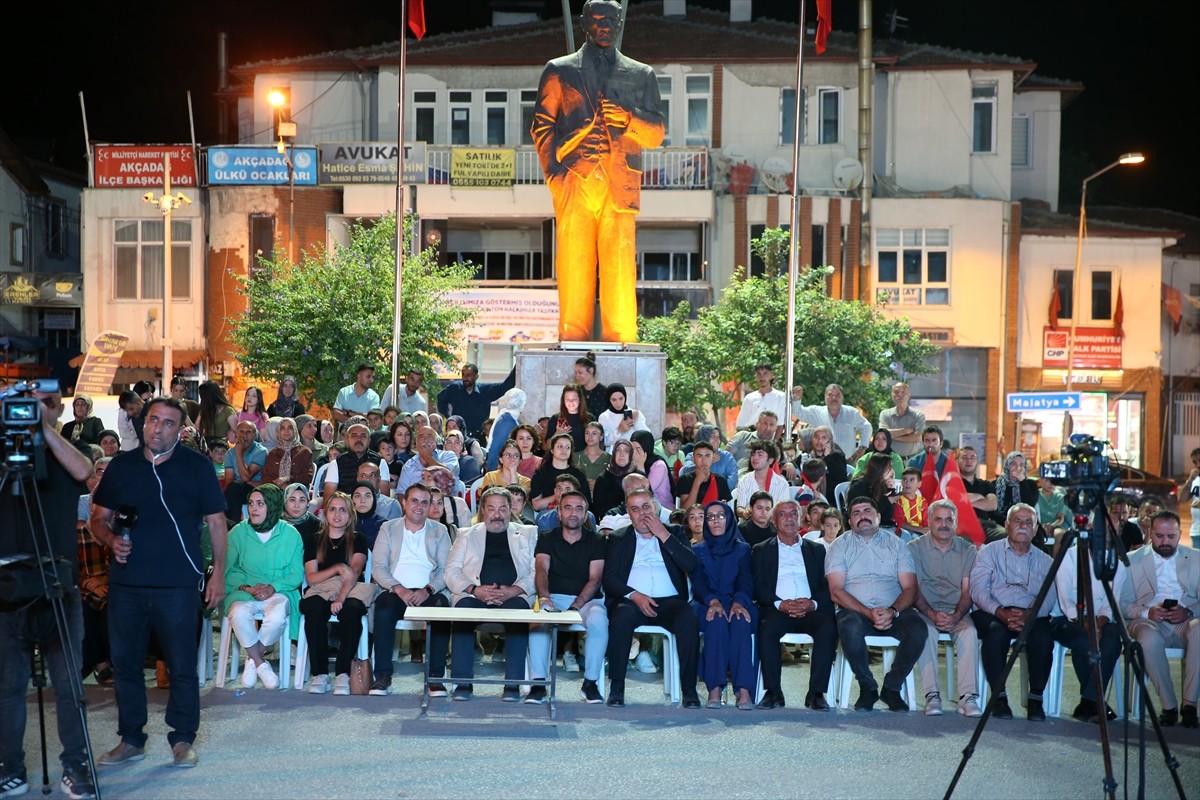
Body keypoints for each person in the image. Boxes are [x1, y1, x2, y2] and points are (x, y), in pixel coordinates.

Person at [90, 396, 227, 769]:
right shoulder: (120, 467)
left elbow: (217, 523)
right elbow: (97, 518)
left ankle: (183, 739)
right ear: (143, 423)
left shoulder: (197, 467)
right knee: (127, 665)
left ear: (180, 430)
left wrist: (218, 574)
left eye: (168, 423)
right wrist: (109, 539)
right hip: (128, 585)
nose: (158, 428)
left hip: (180, 585)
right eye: (153, 420)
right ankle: (131, 739)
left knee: (182, 665)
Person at [532, 0, 665, 342]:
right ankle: (571, 340)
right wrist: (554, 175)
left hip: (619, 182)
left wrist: (631, 118)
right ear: (583, 23)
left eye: (612, 19)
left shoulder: (641, 74)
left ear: (620, 23)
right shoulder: (560, 70)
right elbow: (542, 126)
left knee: (620, 270)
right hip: (575, 180)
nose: (606, 25)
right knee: (574, 267)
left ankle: (621, 341)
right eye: (598, 19)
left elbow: (656, 134)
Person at [1, 384, 94, 798]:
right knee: (8, 687)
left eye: (46, 405)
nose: (33, 411)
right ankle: (10, 767)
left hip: (59, 586)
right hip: (7, 589)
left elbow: (83, 471)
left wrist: (44, 429)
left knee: (68, 683)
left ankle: (75, 766)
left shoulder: (63, 453)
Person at [825, 496, 927, 712]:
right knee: (848, 625)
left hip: (894, 610)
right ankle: (867, 686)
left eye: (867, 511)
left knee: (918, 628)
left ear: (879, 517)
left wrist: (892, 611)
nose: (863, 516)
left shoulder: (898, 546)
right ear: (850, 522)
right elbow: (836, 592)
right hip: (856, 612)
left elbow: (910, 588)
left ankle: (892, 687)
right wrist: (868, 613)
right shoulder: (839, 547)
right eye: (856, 513)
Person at [602, 487, 700, 708]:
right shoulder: (618, 538)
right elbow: (610, 578)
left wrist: (662, 534)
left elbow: (691, 564)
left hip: (670, 602)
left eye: (646, 506)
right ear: (629, 513)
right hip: (632, 601)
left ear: (655, 507)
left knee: (688, 618)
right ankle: (617, 688)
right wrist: (634, 595)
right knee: (621, 616)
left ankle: (690, 691)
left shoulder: (674, 532)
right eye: (635, 509)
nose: (642, 513)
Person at [441, 487, 537, 701]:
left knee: (520, 613)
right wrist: (475, 590)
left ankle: (512, 685)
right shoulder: (466, 535)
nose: (497, 514)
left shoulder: (528, 533)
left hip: (513, 596)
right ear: (482, 510)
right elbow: (451, 571)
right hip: (475, 596)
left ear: (510, 509)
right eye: (491, 508)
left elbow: (536, 571)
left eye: (503, 508)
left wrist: (514, 590)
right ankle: (462, 683)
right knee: (463, 611)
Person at [969, 503, 1057, 721]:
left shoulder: (1046, 560)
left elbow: (1049, 597)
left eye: (1029, 522)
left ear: (1036, 529)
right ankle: (999, 698)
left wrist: (1029, 615)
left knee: (1043, 637)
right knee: (995, 633)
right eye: (1017, 521)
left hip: (1031, 613)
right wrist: (1000, 612)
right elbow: (978, 591)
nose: (1023, 526)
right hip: (993, 610)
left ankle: (1036, 699)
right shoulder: (988, 552)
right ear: (1006, 525)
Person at [368, 483, 453, 696]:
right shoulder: (388, 528)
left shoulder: (439, 530)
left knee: (442, 610)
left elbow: (446, 569)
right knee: (384, 610)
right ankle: (383, 675)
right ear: (404, 503)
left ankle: (435, 677)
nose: (419, 506)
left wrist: (428, 589)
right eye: (414, 500)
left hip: (428, 591)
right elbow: (378, 568)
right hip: (395, 590)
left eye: (425, 502)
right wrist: (399, 589)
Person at [753, 499, 838, 711]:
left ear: (800, 519)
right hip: (778, 609)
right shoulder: (761, 550)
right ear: (774, 521)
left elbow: (826, 585)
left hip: (810, 610)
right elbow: (758, 586)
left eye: (793, 514)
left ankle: (816, 694)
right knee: (767, 629)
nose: (789, 518)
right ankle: (773, 692)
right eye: (783, 514)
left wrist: (813, 603)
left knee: (828, 628)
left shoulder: (817, 550)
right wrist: (780, 604)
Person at [1118, 510, 1198, 728]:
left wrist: (1188, 612)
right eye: (1159, 536)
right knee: (1147, 637)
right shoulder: (1130, 561)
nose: (1165, 542)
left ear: (1179, 533)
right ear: (1150, 533)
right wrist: (1147, 612)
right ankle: (1168, 706)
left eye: (1171, 537)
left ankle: (1189, 705)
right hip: (1148, 619)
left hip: (1185, 620)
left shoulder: (1197, 558)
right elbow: (1122, 604)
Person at [530, 489, 608, 704]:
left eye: (579, 508)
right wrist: (545, 598)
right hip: (553, 597)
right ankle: (538, 684)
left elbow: (595, 578)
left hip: (586, 601)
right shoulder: (546, 538)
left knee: (599, 619)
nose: (573, 513)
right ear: (559, 513)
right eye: (568, 507)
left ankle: (590, 683)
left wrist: (575, 606)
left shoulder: (597, 541)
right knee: (538, 620)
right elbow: (541, 570)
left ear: (585, 515)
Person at [221, 484, 303, 692]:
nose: (253, 509)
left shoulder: (291, 534)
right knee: (238, 615)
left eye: (260, 504)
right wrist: (248, 588)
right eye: (251, 504)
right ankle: (260, 664)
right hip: (244, 591)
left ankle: (252, 659)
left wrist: (272, 587)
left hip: (280, 591)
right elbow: (228, 570)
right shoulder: (238, 532)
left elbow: (296, 574)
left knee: (276, 618)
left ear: (273, 506)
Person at [907, 500, 982, 717]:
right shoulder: (915, 548)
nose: (943, 524)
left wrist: (957, 615)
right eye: (938, 519)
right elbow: (913, 589)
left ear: (956, 522)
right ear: (929, 521)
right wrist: (931, 614)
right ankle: (932, 696)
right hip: (924, 610)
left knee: (970, 633)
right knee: (926, 632)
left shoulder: (967, 550)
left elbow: (968, 590)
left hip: (957, 609)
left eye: (949, 519)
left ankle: (968, 698)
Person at [299, 492, 375, 695]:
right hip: (321, 589)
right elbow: (312, 578)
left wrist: (340, 598)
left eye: (343, 510)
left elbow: (355, 572)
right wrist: (337, 568)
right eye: (332, 509)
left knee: (352, 610)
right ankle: (320, 673)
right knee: (313, 607)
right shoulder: (313, 540)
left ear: (350, 515)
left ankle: (343, 672)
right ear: (325, 514)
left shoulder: (358, 539)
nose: (337, 514)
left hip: (349, 589)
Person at [691, 500, 756, 710]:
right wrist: (713, 601)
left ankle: (743, 689)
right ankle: (714, 688)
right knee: (716, 620)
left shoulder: (743, 549)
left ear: (729, 519)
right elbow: (698, 584)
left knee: (740, 620)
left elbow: (746, 580)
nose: (715, 521)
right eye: (710, 517)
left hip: (738, 601)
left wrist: (738, 602)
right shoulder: (698, 549)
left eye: (720, 515)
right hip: (707, 603)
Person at [1052, 534, 1124, 723]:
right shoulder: (1067, 558)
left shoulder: (1117, 565)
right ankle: (1095, 701)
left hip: (1101, 618)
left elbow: (1111, 604)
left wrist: (1098, 624)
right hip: (1067, 618)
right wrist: (1085, 624)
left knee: (1113, 639)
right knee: (1084, 641)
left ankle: (1089, 701)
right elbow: (1065, 601)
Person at [792, 383, 872, 462]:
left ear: (842, 398)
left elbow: (867, 427)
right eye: (830, 395)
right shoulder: (816, 412)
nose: (834, 398)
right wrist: (797, 399)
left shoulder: (851, 413)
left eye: (837, 395)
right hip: (821, 463)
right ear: (825, 397)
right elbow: (798, 412)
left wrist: (862, 447)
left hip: (847, 462)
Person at [436, 363, 517, 439]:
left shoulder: (485, 391)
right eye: (463, 375)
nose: (465, 378)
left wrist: (518, 364)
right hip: (458, 437)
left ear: (476, 376)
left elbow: (506, 386)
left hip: (479, 437)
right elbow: (440, 398)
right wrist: (449, 417)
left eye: (468, 375)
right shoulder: (454, 389)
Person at [323, 422, 390, 500]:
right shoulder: (336, 463)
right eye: (354, 436)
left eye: (363, 436)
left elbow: (384, 498)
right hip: (345, 507)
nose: (359, 439)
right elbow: (329, 498)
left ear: (369, 441)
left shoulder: (380, 462)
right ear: (347, 440)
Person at [530, 432, 593, 512]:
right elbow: (536, 505)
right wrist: (557, 496)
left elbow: (586, 502)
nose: (564, 450)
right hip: (547, 513)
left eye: (567, 447)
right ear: (552, 450)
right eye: (560, 446)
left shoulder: (578, 474)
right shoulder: (541, 473)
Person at [222, 420, 268, 525]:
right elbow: (229, 480)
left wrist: (238, 452)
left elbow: (246, 477)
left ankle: (231, 526)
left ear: (255, 434)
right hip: (236, 489)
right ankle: (229, 525)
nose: (244, 436)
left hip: (255, 490)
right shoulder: (229, 453)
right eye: (242, 432)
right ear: (236, 434)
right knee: (232, 488)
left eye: (249, 432)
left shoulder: (260, 451)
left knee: (234, 488)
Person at [956, 446, 1003, 541]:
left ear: (977, 462)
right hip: (961, 525)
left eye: (972, 458)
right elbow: (955, 502)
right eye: (964, 457)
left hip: (985, 524)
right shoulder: (953, 483)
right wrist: (981, 497)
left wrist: (965, 502)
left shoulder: (986, 484)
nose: (968, 461)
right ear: (957, 461)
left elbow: (992, 505)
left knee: (1004, 535)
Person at [396, 425, 458, 496]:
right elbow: (401, 493)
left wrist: (426, 455)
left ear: (436, 441)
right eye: (421, 437)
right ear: (416, 442)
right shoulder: (408, 465)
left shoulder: (448, 456)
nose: (425, 440)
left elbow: (447, 476)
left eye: (429, 436)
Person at [846, 453, 900, 531]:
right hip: (862, 527)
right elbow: (865, 513)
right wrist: (887, 501)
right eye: (889, 468)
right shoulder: (859, 487)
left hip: (881, 526)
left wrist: (890, 491)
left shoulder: (882, 484)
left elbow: (886, 516)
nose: (892, 471)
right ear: (880, 469)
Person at [735, 439, 791, 513]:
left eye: (760, 455)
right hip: (749, 522)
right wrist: (745, 512)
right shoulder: (744, 481)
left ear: (770, 460)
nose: (755, 458)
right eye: (753, 454)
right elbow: (739, 508)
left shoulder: (782, 484)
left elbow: (783, 511)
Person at [675, 440, 731, 511]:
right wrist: (697, 482)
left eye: (707, 456)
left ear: (713, 457)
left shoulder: (720, 480)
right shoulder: (685, 479)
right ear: (693, 458)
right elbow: (686, 510)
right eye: (699, 456)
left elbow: (726, 510)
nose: (703, 460)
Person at [261, 416, 314, 490]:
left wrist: (288, 479)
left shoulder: (304, 452)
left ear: (295, 430)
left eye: (290, 427)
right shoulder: (273, 453)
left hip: (297, 491)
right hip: (275, 491)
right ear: (278, 431)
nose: (286, 431)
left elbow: (308, 477)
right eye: (282, 428)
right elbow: (265, 477)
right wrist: (280, 486)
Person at [597, 382, 649, 454]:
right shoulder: (604, 417)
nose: (618, 403)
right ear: (609, 399)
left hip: (633, 456)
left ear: (625, 397)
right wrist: (619, 430)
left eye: (621, 399)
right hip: (613, 457)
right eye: (614, 400)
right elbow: (604, 441)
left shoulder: (635, 414)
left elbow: (647, 437)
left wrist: (637, 422)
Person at [878, 382, 926, 460]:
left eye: (903, 392)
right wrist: (906, 431)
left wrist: (891, 436)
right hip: (889, 460)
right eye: (896, 392)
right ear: (892, 395)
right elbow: (883, 434)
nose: (899, 395)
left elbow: (918, 437)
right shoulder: (885, 414)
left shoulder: (918, 415)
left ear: (909, 395)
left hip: (911, 460)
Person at [992, 451, 1040, 529]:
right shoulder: (995, 484)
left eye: (1021, 465)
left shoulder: (1031, 485)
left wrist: (1022, 481)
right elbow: (993, 511)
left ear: (1025, 468)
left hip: (1025, 525)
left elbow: (1029, 506)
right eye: (1013, 464)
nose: (1018, 468)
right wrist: (1010, 523)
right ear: (1007, 466)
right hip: (1001, 524)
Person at [478, 439, 532, 508]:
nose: (512, 459)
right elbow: (485, 499)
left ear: (520, 461)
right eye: (508, 455)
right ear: (501, 459)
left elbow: (514, 501)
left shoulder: (526, 481)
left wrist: (513, 473)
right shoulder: (490, 476)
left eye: (516, 456)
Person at [630, 429, 673, 511]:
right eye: (632, 448)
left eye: (638, 448)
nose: (634, 452)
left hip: (661, 508)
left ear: (646, 447)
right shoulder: (632, 462)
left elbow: (645, 491)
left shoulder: (659, 465)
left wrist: (640, 466)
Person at [735, 364, 788, 431]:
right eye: (759, 374)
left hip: (770, 438)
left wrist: (774, 441)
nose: (762, 377)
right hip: (749, 437)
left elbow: (780, 425)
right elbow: (741, 424)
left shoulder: (781, 397)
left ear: (771, 375)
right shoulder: (749, 398)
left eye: (765, 373)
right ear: (755, 376)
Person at [591, 438, 634, 519]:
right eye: (618, 450)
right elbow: (598, 508)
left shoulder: (638, 476)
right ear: (614, 453)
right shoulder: (603, 478)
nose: (622, 454)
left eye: (626, 451)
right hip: (611, 521)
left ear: (631, 454)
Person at [484, 388, 525, 471]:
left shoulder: (512, 420)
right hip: (499, 469)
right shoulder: (506, 422)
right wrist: (492, 468)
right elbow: (496, 445)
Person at [549, 383, 591, 452]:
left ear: (579, 399)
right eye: (567, 399)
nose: (571, 402)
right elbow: (547, 446)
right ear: (563, 400)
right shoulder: (555, 418)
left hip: (583, 458)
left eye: (574, 399)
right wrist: (557, 434)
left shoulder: (589, 418)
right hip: (562, 458)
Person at [573, 420, 611, 493]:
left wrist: (597, 484)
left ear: (601, 437)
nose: (590, 436)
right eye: (587, 433)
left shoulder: (609, 459)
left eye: (594, 433)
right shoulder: (576, 457)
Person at [197, 380, 238, 446]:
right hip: (207, 446)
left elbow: (236, 433)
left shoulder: (228, 411)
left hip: (221, 446)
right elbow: (197, 429)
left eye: (203, 397)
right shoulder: (205, 410)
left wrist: (227, 437)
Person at [350, 481, 387, 549]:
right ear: (351, 500)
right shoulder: (344, 523)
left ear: (374, 499)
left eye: (367, 496)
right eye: (357, 496)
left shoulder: (384, 525)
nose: (362, 501)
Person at [893, 467, 929, 535]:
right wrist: (919, 529)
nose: (907, 483)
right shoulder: (897, 500)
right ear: (901, 482)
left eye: (911, 480)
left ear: (919, 484)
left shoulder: (922, 501)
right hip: (904, 533)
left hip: (920, 532)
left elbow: (926, 523)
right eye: (904, 479)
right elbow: (900, 523)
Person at [574, 355, 608, 421]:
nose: (577, 376)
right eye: (576, 373)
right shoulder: (576, 392)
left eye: (580, 373)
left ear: (591, 371)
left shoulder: (604, 392)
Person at [1180, 447, 1200, 541]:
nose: (1198, 465)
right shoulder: (1195, 480)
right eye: (1195, 462)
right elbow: (1182, 499)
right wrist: (1190, 480)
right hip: (1197, 531)